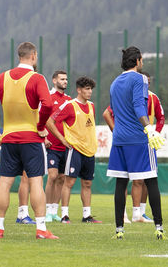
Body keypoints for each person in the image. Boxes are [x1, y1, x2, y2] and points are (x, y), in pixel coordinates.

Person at [0, 41, 57, 240]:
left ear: (19, 56)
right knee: (36, 183)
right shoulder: (37, 78)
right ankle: (41, 229)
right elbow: (47, 104)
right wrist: (40, 127)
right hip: (31, 139)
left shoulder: (2, 77)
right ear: (33, 56)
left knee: (4, 183)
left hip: (9, 139)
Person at [106, 46, 166, 240]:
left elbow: (113, 110)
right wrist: (148, 127)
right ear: (138, 60)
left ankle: (119, 230)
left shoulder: (115, 82)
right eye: (142, 60)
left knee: (120, 183)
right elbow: (139, 105)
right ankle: (159, 228)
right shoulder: (140, 78)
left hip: (119, 139)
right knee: (151, 179)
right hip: (138, 138)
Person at [46, 76, 102, 224]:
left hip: (89, 151)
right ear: (79, 90)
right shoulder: (70, 105)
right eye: (87, 89)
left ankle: (87, 215)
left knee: (87, 184)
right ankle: (64, 215)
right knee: (68, 182)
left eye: (91, 89)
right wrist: (63, 139)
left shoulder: (91, 106)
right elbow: (50, 121)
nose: (89, 92)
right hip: (74, 150)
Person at [131, 71, 165, 223]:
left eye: (148, 83)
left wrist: (155, 133)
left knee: (147, 177)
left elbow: (161, 117)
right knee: (131, 179)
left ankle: (141, 213)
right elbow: (109, 113)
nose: (146, 85)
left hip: (147, 142)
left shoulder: (154, 98)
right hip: (132, 141)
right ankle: (132, 212)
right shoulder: (130, 95)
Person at [44, 70, 71, 223]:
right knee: (52, 176)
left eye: (66, 79)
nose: (65, 81)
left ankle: (54, 210)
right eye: (62, 79)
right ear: (54, 81)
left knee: (61, 178)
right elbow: (41, 119)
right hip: (51, 145)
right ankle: (47, 210)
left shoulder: (68, 100)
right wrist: (44, 137)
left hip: (65, 146)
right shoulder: (48, 97)